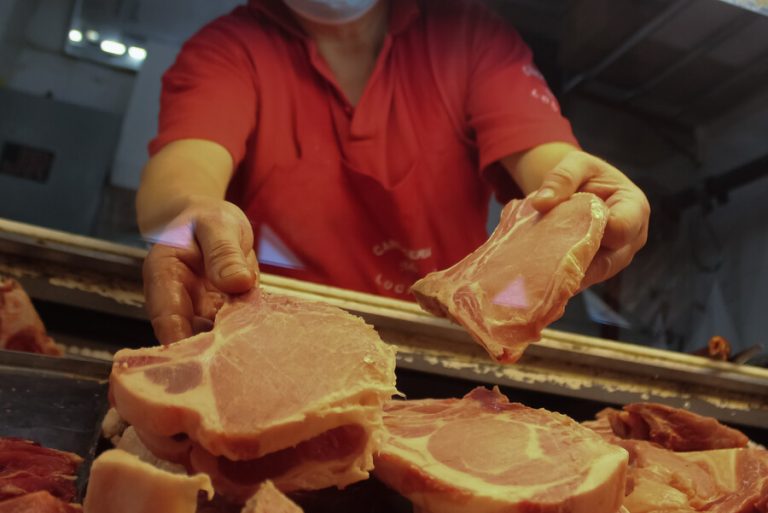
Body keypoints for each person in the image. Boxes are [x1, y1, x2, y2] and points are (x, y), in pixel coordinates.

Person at [136, 0, 650, 345]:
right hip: (275, 345)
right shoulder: (229, 47)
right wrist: (190, 215)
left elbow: (548, 165)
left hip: (443, 345)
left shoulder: (469, 37)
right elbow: (182, 179)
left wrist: (586, 198)